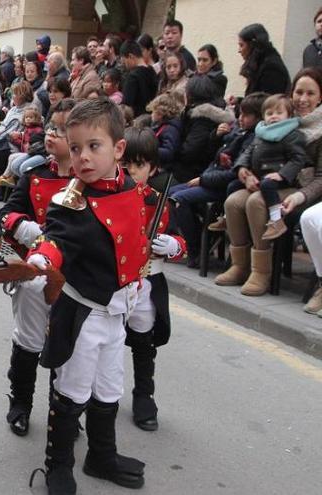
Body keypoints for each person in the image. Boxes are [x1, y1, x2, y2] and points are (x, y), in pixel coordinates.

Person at [27, 98, 147, 495]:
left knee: (110, 388)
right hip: (84, 314)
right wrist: (42, 259)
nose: (82, 157)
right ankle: (57, 465)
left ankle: (101, 456)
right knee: (72, 390)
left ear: (119, 149)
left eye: (93, 146)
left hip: (118, 312)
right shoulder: (70, 202)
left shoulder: (129, 187)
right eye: (75, 148)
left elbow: (132, 239)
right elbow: (55, 239)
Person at [0, 98, 76, 436]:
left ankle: (64, 412)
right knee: (28, 340)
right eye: (51, 127)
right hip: (37, 268)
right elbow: (7, 212)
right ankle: (21, 403)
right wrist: (27, 229)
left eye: (60, 129)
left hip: (75, 276)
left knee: (70, 346)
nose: (51, 134)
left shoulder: (96, 181)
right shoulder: (35, 174)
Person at [119, 127, 186, 432]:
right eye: (125, 164)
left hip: (147, 283)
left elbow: (181, 243)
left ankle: (144, 395)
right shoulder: (106, 198)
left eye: (139, 165)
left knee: (144, 345)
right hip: (114, 283)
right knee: (102, 342)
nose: (131, 171)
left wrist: (171, 246)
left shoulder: (159, 203)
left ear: (152, 168)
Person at [172, 92, 264, 266]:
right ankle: (198, 238)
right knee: (171, 194)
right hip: (211, 177)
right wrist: (216, 137)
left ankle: (196, 248)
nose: (241, 118)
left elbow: (233, 172)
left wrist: (203, 180)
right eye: (240, 113)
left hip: (223, 185)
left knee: (178, 198)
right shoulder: (237, 133)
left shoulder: (252, 138)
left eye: (246, 115)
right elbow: (214, 159)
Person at [225, 94, 307, 243]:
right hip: (259, 176)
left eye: (279, 113)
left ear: (289, 115)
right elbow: (248, 152)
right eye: (269, 113)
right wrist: (241, 167)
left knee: (266, 186)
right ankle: (225, 218)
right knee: (233, 185)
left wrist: (282, 174)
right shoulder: (261, 133)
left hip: (278, 178)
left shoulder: (292, 135)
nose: (274, 117)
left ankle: (276, 219)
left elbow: (298, 158)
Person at [282, 68, 322, 314]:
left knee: (309, 218)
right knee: (238, 201)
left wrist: (299, 195)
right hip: (277, 184)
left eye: (311, 93)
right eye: (299, 92)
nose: (303, 99)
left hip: (308, 190)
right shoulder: (281, 120)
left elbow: (320, 177)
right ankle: (250, 268)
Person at [177, 76, 234, 184]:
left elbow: (190, 151)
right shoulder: (202, 113)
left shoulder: (202, 118)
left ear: (191, 95)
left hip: (192, 172)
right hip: (197, 168)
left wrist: (173, 155)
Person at [0, 106, 46, 187]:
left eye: (31, 117)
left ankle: (7, 176)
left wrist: (18, 138)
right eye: (26, 117)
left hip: (32, 152)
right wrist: (14, 139)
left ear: (36, 119)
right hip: (26, 152)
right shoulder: (27, 129)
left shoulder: (37, 130)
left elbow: (28, 142)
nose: (28, 119)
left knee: (13, 158)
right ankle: (8, 177)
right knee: (11, 157)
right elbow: (23, 142)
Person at [238, 23, 290, 96]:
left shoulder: (271, 68)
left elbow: (267, 102)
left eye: (241, 45)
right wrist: (238, 101)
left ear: (252, 45)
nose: (239, 50)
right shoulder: (261, 63)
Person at [146, 92, 183, 172]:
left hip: (163, 167)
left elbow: (169, 152)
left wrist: (148, 150)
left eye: (154, 111)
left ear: (160, 114)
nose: (152, 114)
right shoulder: (158, 125)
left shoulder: (170, 129)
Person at [121, 40, 159, 117]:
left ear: (131, 56)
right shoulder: (152, 72)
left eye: (125, 61)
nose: (125, 65)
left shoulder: (132, 77)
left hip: (136, 119)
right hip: (150, 117)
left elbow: (126, 105)